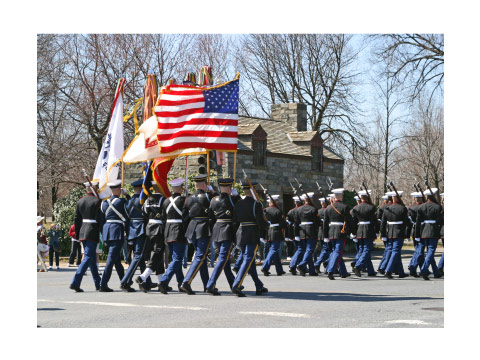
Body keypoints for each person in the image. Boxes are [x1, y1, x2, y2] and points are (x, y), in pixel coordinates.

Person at [231, 180, 269, 297]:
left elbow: (235, 220)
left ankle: (259, 285)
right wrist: (266, 224)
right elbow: (260, 222)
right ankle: (236, 284)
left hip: (241, 233)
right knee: (248, 259)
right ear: (253, 191)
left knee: (250, 261)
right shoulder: (256, 204)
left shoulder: (238, 204)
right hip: (252, 233)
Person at [179, 174, 213, 295]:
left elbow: (184, 216)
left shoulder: (188, 198)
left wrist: (187, 228)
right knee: (200, 255)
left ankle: (207, 285)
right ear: (204, 185)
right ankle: (186, 282)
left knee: (202, 258)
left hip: (192, 227)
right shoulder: (209, 196)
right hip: (203, 228)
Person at [204, 178, 239, 295]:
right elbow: (236, 218)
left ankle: (233, 283)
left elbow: (210, 217)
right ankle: (210, 284)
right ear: (229, 188)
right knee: (223, 258)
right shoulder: (233, 200)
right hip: (227, 231)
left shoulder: (213, 200)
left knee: (226, 261)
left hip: (216, 230)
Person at [118, 179, 151, 292]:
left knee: (140, 257)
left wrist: (127, 196)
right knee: (138, 255)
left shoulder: (129, 201)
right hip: (141, 227)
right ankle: (125, 281)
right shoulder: (144, 200)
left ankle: (146, 282)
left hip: (132, 228)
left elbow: (127, 216)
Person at [69, 181, 102, 292]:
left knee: (91, 259)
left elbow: (76, 219)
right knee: (88, 257)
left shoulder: (80, 201)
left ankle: (98, 283)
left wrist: (77, 234)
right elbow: (100, 220)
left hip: (83, 231)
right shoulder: (97, 201)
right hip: (92, 231)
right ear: (94, 188)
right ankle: (75, 282)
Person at [157, 178, 188, 294]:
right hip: (178, 230)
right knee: (177, 258)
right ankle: (164, 281)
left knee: (176, 258)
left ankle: (181, 283)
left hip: (168, 231)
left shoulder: (165, 201)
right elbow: (185, 218)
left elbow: (163, 219)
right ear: (180, 188)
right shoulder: (184, 200)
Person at [136, 180, 167, 292]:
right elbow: (165, 216)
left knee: (154, 254)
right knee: (158, 253)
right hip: (159, 229)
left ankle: (162, 282)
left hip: (149, 228)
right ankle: (143, 276)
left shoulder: (147, 200)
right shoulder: (163, 199)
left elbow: (144, 213)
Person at [99, 180, 128, 292]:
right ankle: (103, 284)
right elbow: (128, 213)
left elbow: (102, 221)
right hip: (116, 231)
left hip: (107, 231)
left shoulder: (104, 203)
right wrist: (127, 196)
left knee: (116, 260)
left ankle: (125, 282)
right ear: (118, 190)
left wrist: (104, 233)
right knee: (111, 259)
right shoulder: (121, 201)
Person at [323, 188, 354, 280]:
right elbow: (350, 221)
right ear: (341, 196)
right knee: (337, 252)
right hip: (340, 232)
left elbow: (325, 223)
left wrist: (325, 236)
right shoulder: (344, 207)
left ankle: (343, 272)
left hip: (331, 232)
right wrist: (353, 232)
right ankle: (330, 270)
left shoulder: (328, 208)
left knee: (336, 251)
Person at [415, 188, 444, 280]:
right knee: (430, 252)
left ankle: (436, 272)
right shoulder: (437, 206)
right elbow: (440, 220)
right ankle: (424, 269)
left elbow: (418, 222)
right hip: (433, 231)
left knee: (429, 253)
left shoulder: (421, 207)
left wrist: (417, 235)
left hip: (423, 231)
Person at [380, 191, 409, 279]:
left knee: (396, 252)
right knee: (395, 251)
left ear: (392, 198)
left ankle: (401, 272)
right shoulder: (402, 208)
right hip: (398, 232)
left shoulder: (387, 209)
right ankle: (388, 270)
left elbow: (383, 223)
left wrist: (383, 234)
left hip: (390, 233)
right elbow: (406, 222)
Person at [351, 190, 378, 277]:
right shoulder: (371, 208)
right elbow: (374, 221)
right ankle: (358, 266)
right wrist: (376, 231)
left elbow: (353, 222)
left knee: (363, 250)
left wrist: (353, 233)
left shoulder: (356, 208)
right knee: (366, 249)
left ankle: (370, 271)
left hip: (359, 230)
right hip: (368, 230)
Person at [261, 195, 286, 276]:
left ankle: (279, 270)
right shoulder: (278, 211)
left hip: (268, 231)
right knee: (274, 250)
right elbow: (282, 224)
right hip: (276, 232)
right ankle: (265, 267)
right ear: (276, 202)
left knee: (274, 250)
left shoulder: (265, 210)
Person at [296, 192, 320, 277]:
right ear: (310, 199)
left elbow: (296, 223)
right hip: (311, 231)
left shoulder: (299, 209)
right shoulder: (313, 209)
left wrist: (296, 235)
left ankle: (312, 270)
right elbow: (317, 222)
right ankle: (302, 264)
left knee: (307, 251)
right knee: (310, 250)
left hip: (302, 232)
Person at [406, 192, 424, 277]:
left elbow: (409, 223)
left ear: (414, 199)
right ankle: (412, 266)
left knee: (418, 250)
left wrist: (407, 234)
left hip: (414, 231)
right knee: (419, 250)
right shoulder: (423, 207)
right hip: (422, 230)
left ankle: (423, 269)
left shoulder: (411, 208)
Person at [314, 198, 330, 274]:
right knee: (325, 249)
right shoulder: (328, 210)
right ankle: (317, 264)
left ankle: (327, 267)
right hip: (326, 232)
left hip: (320, 232)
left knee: (326, 250)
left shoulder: (318, 211)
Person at [377, 195, 393, 274]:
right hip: (390, 230)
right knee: (389, 250)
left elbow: (379, 220)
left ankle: (383, 267)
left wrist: (381, 233)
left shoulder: (382, 208)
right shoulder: (391, 207)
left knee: (388, 250)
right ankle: (383, 267)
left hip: (385, 230)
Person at [288, 196, 304, 275]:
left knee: (299, 250)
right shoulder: (302, 210)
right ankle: (293, 265)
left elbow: (289, 224)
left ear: (295, 202)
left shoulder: (291, 211)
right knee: (300, 250)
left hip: (293, 233)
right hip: (301, 232)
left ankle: (295, 266)